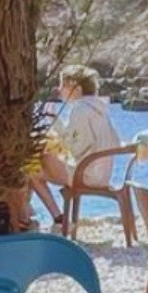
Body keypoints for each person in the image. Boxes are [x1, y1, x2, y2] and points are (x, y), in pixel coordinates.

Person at [30, 64, 122, 227]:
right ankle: (56, 217)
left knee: (32, 169)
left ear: (75, 87)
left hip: (85, 174)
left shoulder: (80, 109)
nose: (59, 90)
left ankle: (57, 216)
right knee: (39, 161)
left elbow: (74, 147)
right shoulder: (100, 109)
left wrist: (54, 124)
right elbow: (114, 141)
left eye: (62, 85)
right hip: (103, 175)